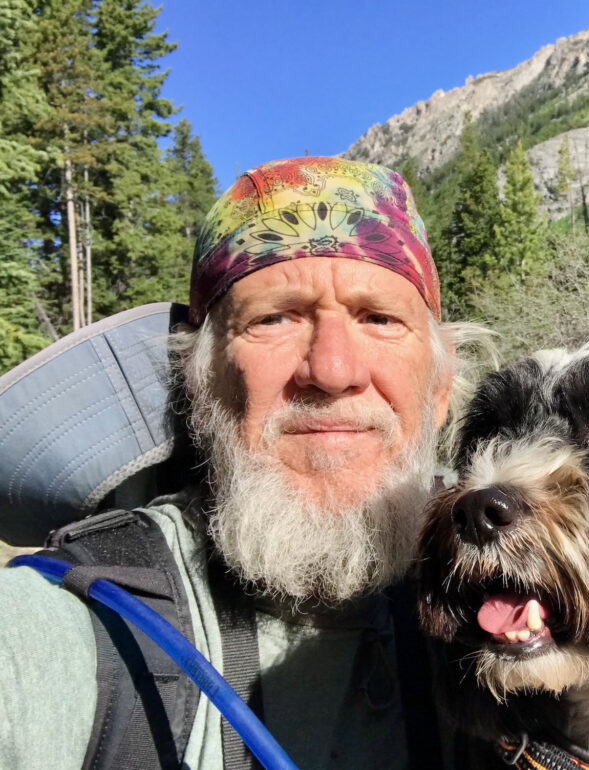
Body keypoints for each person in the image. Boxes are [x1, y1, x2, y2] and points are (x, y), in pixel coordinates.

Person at [0, 156, 476, 769]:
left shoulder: (535, 589)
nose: (332, 372)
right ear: (199, 384)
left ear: (439, 389)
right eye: (274, 319)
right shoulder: (69, 627)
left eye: (379, 318)